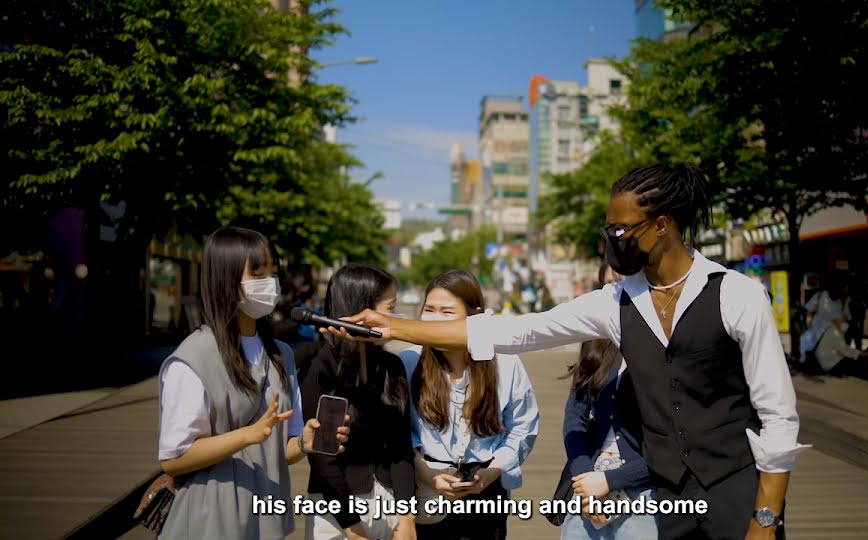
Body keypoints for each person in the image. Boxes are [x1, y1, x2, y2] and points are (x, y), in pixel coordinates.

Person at [328, 164, 809, 540]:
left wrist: (765, 518)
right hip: (668, 497)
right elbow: (521, 331)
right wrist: (395, 326)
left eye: (621, 230)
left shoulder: (737, 295)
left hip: (737, 486)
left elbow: (779, 417)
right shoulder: (617, 301)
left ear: (662, 225)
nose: (611, 240)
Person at [157, 226, 349, 539]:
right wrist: (248, 435)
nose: (270, 283)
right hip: (211, 521)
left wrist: (305, 443)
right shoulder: (193, 358)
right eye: (257, 273)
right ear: (226, 278)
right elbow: (174, 458)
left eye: (273, 272)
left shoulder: (281, 355)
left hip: (266, 520)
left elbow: (280, 451)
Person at [400, 270, 540, 540]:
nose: (434, 320)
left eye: (446, 312)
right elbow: (397, 430)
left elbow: (524, 425)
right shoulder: (409, 360)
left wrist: (494, 471)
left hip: (485, 483)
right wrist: (425, 472)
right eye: (428, 310)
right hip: (426, 484)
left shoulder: (505, 361)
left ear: (475, 315)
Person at [299, 263, 416, 540]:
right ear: (362, 309)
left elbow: (401, 447)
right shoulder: (321, 367)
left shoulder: (392, 365)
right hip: (335, 512)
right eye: (390, 308)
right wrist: (354, 529)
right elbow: (322, 457)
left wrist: (407, 517)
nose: (394, 317)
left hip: (389, 506)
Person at [560, 261, 658, 539]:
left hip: (642, 487)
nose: (614, 294)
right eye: (608, 286)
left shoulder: (665, 345)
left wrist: (610, 481)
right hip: (588, 482)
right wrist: (585, 479)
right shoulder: (595, 340)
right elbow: (574, 419)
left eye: (622, 285)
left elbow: (674, 442)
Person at [799, 274, 851, 362]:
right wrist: (809, 326)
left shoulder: (844, 300)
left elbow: (845, 319)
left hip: (834, 339)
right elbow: (810, 312)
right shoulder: (819, 296)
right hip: (817, 337)